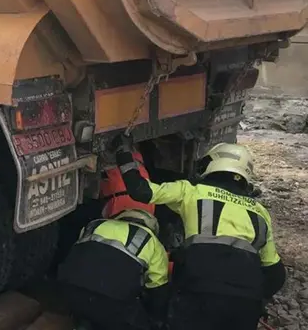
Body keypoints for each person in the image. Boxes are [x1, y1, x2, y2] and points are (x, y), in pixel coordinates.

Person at [114, 138, 286, 330]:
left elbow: (141, 191)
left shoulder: (191, 191)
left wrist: (123, 153)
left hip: (199, 293)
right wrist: (251, 296)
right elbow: (276, 274)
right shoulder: (260, 211)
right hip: (245, 303)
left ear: (212, 164)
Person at [58, 209, 169, 330]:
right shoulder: (153, 242)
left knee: (87, 309)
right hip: (114, 304)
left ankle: (84, 322)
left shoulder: (95, 225)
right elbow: (158, 288)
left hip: (69, 292)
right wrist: (157, 318)